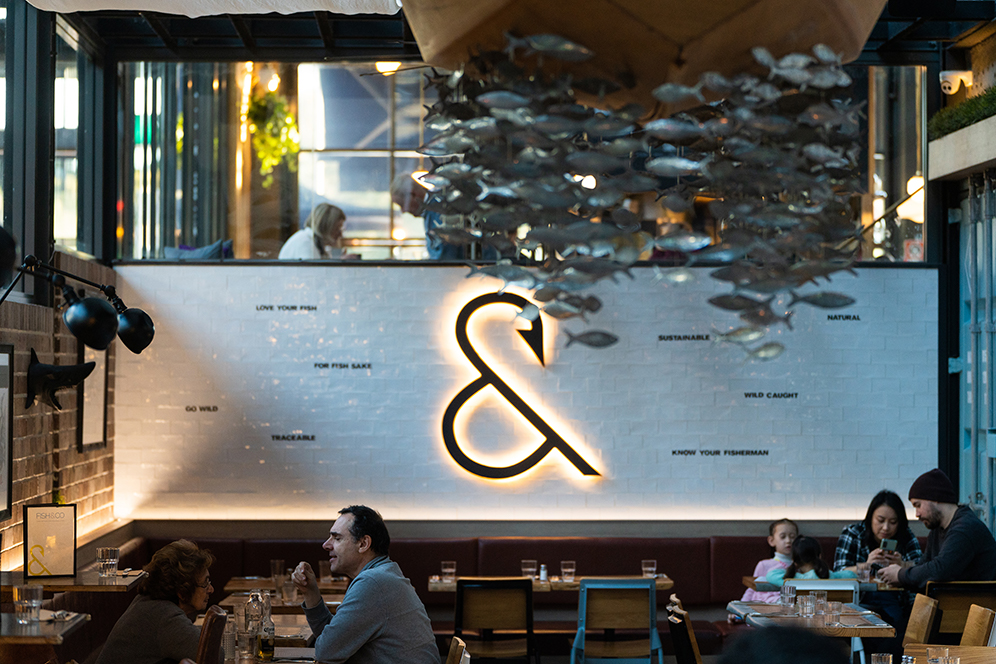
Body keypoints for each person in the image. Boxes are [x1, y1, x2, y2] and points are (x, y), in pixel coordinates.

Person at [291, 505, 438, 664]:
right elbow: (334, 641)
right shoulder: (384, 573)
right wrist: (310, 592)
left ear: (363, 544)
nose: (326, 545)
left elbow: (326, 652)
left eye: (337, 538)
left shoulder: (373, 582)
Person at [96, 539, 216, 664]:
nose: (211, 589)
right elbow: (213, 656)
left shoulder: (148, 602)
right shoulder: (164, 616)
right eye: (205, 583)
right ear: (182, 589)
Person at [834, 490, 922, 657]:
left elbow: (920, 568)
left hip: (897, 602)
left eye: (893, 522)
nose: (886, 528)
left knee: (902, 628)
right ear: (870, 518)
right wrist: (866, 564)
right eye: (880, 521)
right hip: (860, 599)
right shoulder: (853, 534)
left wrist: (902, 566)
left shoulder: (906, 536)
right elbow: (839, 573)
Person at [878, 468, 996, 589]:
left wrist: (900, 574)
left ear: (934, 497)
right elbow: (924, 568)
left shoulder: (965, 528)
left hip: (975, 605)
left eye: (918, 505)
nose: (917, 514)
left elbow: (940, 571)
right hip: (957, 604)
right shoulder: (937, 529)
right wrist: (901, 573)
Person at [390, 173, 464, 260]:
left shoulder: (437, 210)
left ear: (413, 195)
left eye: (402, 204)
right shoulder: (433, 210)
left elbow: (445, 256)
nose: (403, 211)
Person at [741, 518, 798, 603]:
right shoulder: (764, 565)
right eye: (783, 537)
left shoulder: (801, 565)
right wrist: (739, 612)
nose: (788, 541)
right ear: (771, 541)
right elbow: (752, 589)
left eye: (792, 537)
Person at [765, 536, 857, 586]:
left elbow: (770, 575)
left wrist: (791, 574)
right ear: (820, 556)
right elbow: (851, 575)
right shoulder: (830, 576)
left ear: (794, 561)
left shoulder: (792, 580)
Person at [279, 202, 353, 259]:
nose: (340, 235)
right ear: (326, 228)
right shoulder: (305, 243)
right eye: (337, 229)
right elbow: (314, 275)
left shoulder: (318, 245)